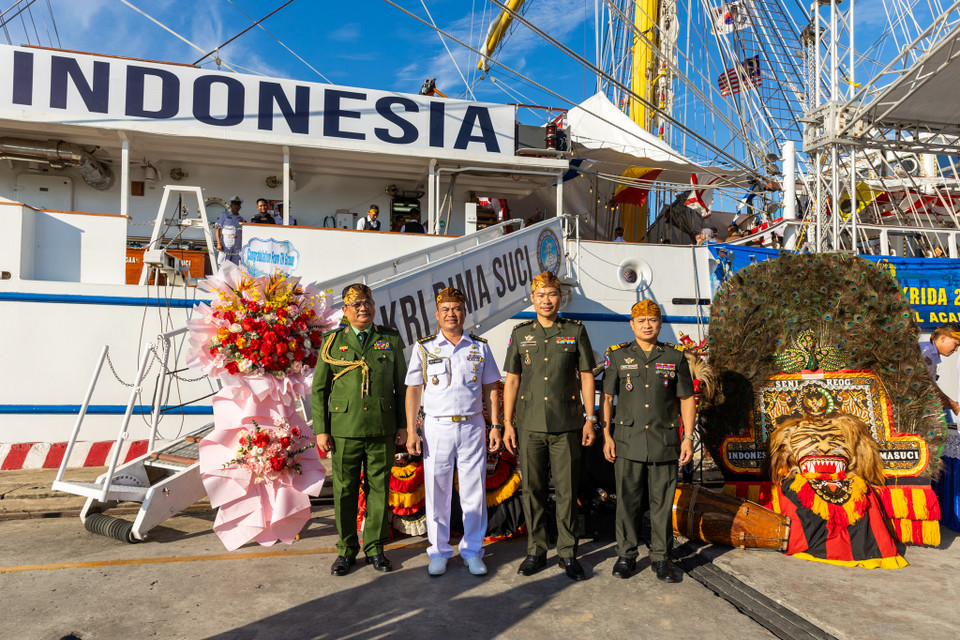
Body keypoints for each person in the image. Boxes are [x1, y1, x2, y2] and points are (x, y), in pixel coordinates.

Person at [502, 271, 597, 581]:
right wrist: (507, 423)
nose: (546, 300)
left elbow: (586, 376)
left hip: (567, 424)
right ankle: (537, 550)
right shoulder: (520, 334)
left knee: (567, 491)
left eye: (552, 294)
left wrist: (590, 418)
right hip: (529, 425)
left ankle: (568, 552)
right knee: (533, 490)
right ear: (532, 299)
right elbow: (512, 380)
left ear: (560, 297)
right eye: (541, 295)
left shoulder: (575, 331)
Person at [404, 287, 502, 577]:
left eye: (456, 308)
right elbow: (413, 390)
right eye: (445, 309)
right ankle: (439, 551)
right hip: (437, 426)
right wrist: (411, 431)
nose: (451, 314)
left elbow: (490, 388)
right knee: (437, 490)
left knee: (474, 491)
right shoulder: (424, 348)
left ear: (464, 312)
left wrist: (495, 425)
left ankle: (472, 550)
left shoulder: (479, 347)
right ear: (437, 314)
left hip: (472, 425)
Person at [312, 283, 407, 576]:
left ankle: (375, 548)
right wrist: (321, 430)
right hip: (344, 429)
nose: (363, 308)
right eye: (356, 304)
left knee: (378, 489)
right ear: (345, 310)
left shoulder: (389, 339)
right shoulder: (332, 341)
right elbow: (319, 390)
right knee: (344, 490)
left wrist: (403, 425)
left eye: (367, 303)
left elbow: (401, 386)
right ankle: (346, 550)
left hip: (382, 426)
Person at [601, 300, 695, 583]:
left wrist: (687, 438)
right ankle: (626, 555)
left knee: (662, 503)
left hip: (663, 440)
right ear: (632, 324)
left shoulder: (675, 356)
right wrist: (606, 435)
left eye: (652, 320)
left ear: (660, 324)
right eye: (641, 320)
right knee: (626, 501)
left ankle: (661, 557)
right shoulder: (617, 355)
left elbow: (686, 399)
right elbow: (607, 398)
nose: (647, 325)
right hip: (627, 440)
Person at [920, 323, 960, 415]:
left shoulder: (929, 352)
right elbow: (928, 386)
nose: (956, 349)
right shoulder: (925, 352)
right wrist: (954, 406)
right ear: (943, 338)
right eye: (956, 344)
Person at [215, 195, 244, 266]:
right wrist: (218, 243)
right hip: (226, 242)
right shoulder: (224, 215)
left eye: (238, 205)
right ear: (231, 206)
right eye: (234, 204)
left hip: (237, 244)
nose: (236, 206)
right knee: (222, 263)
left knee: (236, 265)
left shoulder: (241, 219)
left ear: (240, 207)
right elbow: (218, 229)